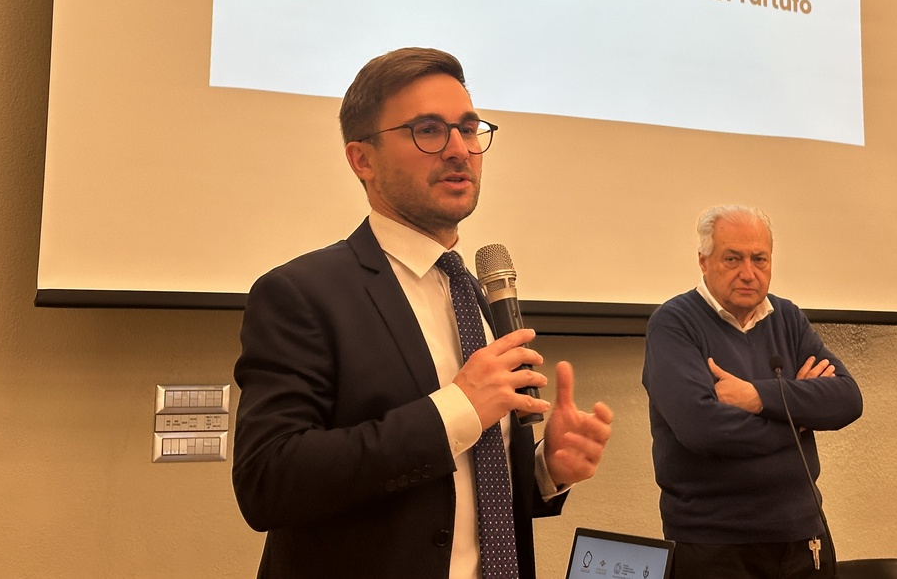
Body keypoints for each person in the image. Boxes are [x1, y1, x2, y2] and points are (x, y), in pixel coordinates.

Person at [232, 47, 613, 579]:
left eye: (469, 128)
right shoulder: (301, 294)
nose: (459, 150)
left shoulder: (474, 294)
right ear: (362, 159)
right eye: (428, 130)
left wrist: (545, 471)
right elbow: (268, 482)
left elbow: (465, 492)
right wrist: (457, 408)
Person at [642, 204, 862, 579]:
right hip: (714, 545)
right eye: (733, 259)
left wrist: (758, 397)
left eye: (759, 259)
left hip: (803, 538)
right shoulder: (674, 323)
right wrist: (797, 418)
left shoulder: (787, 318)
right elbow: (702, 428)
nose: (748, 273)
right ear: (704, 261)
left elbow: (847, 399)